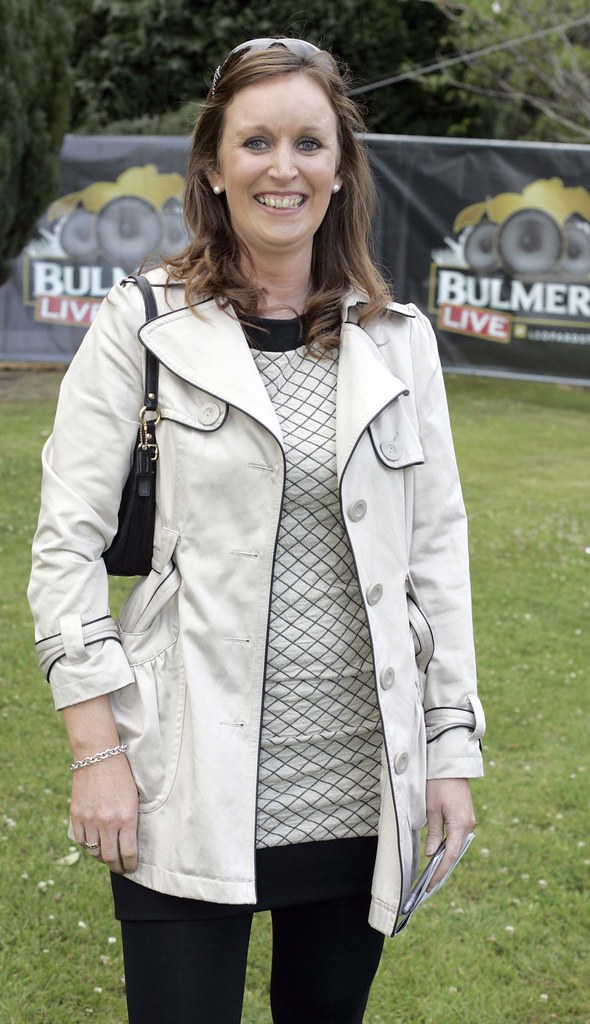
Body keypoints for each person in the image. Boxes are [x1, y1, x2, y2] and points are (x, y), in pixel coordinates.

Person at [28, 37, 485, 1024]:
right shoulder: (140, 323)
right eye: (257, 141)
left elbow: (433, 559)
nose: (284, 167)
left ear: (338, 168)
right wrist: (95, 750)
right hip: (184, 778)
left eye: (309, 143)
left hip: (358, 784)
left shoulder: (396, 340)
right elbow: (63, 546)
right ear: (212, 163)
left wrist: (447, 751)